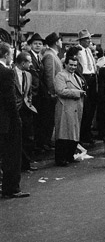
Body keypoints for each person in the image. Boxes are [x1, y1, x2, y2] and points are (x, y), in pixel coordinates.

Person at [0, 42, 29, 198]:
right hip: (7, 121)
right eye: (11, 53)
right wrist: (16, 119)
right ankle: (11, 188)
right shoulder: (7, 72)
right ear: (6, 55)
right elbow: (10, 100)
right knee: (12, 156)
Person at [54, 48, 86, 166]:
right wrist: (78, 92)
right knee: (63, 134)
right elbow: (60, 90)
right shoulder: (60, 75)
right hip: (65, 107)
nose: (73, 67)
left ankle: (69, 155)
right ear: (65, 64)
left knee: (72, 134)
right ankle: (61, 158)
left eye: (75, 65)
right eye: (71, 65)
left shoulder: (76, 76)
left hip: (75, 107)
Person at [13, 52, 38, 172]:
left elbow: (29, 92)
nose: (31, 64)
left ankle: (26, 164)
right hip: (15, 109)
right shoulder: (10, 73)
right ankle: (17, 165)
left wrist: (29, 102)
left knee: (29, 137)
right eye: (29, 62)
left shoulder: (28, 75)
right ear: (23, 63)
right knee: (16, 137)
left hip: (26, 108)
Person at [41, 32, 64, 151]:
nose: (61, 42)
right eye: (60, 40)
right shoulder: (50, 55)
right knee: (48, 119)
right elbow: (50, 76)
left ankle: (47, 141)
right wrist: (52, 92)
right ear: (56, 42)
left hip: (54, 92)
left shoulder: (53, 54)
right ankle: (45, 142)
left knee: (51, 119)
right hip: (51, 93)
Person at [76, 29, 98, 144]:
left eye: (90, 38)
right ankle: (81, 134)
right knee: (85, 108)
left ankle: (86, 133)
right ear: (82, 40)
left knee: (90, 108)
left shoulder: (88, 50)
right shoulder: (78, 51)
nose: (89, 41)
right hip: (84, 77)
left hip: (92, 77)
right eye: (87, 39)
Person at [27, 33, 47, 152]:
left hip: (40, 93)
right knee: (34, 121)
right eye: (35, 44)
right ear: (30, 45)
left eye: (40, 44)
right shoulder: (29, 57)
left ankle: (38, 144)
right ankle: (34, 145)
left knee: (39, 120)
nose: (38, 46)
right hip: (33, 92)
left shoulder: (40, 57)